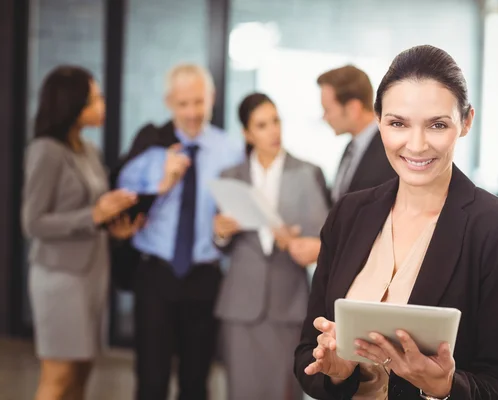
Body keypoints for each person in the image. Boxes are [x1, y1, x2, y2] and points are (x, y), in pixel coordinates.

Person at [294, 45, 498, 400]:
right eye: (398, 123)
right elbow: (305, 356)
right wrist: (337, 373)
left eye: (437, 124)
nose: (416, 145)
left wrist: (443, 388)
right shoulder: (349, 214)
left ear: (466, 122)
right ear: (378, 121)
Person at [116, 63, 244, 400]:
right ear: (169, 102)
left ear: (212, 98)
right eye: (183, 103)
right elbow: (123, 211)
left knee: (195, 382)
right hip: (155, 276)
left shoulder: (229, 150)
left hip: (204, 277)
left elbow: (238, 209)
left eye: (199, 102)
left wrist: (227, 227)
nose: (192, 112)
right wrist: (162, 184)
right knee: (151, 381)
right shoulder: (149, 148)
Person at [22, 66, 143, 400]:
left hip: (93, 274)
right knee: (58, 376)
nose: (102, 105)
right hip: (59, 278)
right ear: (71, 104)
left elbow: (95, 214)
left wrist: (113, 226)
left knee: (82, 372)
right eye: (95, 99)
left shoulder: (89, 150)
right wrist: (93, 215)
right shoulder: (45, 151)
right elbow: (32, 222)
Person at [213, 93, 329, 400]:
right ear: (247, 133)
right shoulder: (230, 177)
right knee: (241, 391)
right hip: (240, 303)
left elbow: (325, 240)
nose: (273, 131)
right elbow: (221, 246)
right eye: (262, 125)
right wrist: (221, 233)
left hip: (288, 302)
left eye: (276, 121)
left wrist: (297, 241)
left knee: (284, 392)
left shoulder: (307, 172)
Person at [287, 65, 396, 267]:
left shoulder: (389, 153)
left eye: (328, 110)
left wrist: (324, 248)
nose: (324, 117)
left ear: (353, 108)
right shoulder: (352, 148)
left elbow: (380, 227)